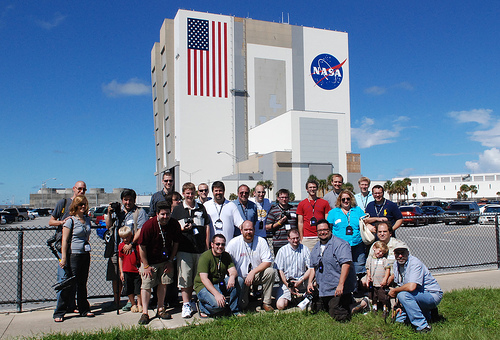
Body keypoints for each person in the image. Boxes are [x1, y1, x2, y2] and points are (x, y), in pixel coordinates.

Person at [307, 220, 369, 321]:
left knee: (338, 315)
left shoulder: (341, 244)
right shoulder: (316, 247)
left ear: (330, 230)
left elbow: (346, 264)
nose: (322, 232)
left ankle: (361, 305)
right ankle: (346, 303)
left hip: (338, 288)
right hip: (323, 288)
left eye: (325, 230)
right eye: (320, 230)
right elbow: (313, 267)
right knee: (318, 309)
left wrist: (341, 284)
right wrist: (310, 282)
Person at [137, 201, 181, 325]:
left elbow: (176, 243)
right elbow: (142, 246)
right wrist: (145, 266)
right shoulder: (149, 225)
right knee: (146, 285)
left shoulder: (174, 224)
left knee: (163, 283)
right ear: (157, 214)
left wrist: (171, 260)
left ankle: (160, 308)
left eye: (167, 214)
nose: (165, 217)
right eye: (162, 214)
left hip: (165, 260)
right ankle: (145, 313)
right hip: (149, 261)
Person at [170, 182, 210, 318]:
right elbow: (172, 229)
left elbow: (206, 226)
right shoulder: (177, 210)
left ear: (195, 194)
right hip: (184, 249)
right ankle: (186, 304)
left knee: (198, 278)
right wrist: (182, 229)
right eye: (187, 193)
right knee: (185, 278)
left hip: (199, 249)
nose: (190, 195)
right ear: (183, 194)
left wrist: (206, 246)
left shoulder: (201, 208)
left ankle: (197, 302)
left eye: (192, 193)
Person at [105, 189, 148, 311]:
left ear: (134, 200)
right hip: (117, 248)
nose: (128, 202)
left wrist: (131, 244)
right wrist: (109, 213)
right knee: (117, 276)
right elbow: (108, 225)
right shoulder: (118, 212)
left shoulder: (139, 212)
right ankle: (117, 301)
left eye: (130, 199)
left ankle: (134, 301)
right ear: (122, 200)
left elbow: (141, 229)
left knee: (134, 278)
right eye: (125, 200)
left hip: (133, 250)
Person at [50, 180, 87, 318]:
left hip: (79, 251)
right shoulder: (63, 203)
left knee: (77, 281)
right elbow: (51, 221)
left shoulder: (84, 208)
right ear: (74, 189)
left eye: (84, 189)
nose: (81, 191)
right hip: (64, 247)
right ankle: (60, 310)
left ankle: (72, 306)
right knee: (64, 279)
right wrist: (62, 222)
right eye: (79, 188)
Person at [53, 196, 93, 322]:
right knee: (69, 283)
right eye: (80, 205)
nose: (83, 207)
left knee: (82, 283)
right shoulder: (70, 221)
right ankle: (60, 312)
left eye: (84, 205)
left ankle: (84, 309)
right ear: (75, 206)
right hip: (73, 255)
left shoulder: (86, 220)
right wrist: (64, 257)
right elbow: (65, 240)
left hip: (84, 254)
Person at [389, 245, 443, 333]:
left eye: (402, 253)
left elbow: (411, 287)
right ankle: (429, 314)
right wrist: (399, 305)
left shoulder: (415, 263)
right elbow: (401, 285)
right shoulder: (396, 264)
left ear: (408, 253)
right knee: (399, 320)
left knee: (402, 295)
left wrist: (395, 291)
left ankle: (423, 326)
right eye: (397, 253)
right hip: (416, 295)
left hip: (431, 294)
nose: (400, 256)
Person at [226, 220, 275, 311]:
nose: (249, 232)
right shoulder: (233, 243)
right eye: (246, 230)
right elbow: (227, 262)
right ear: (241, 231)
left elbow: (267, 262)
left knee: (270, 272)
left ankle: (266, 302)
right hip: (241, 278)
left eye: (251, 230)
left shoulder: (261, 241)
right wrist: (233, 276)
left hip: (255, 275)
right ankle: (246, 296)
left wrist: (253, 272)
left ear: (254, 230)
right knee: (243, 305)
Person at [193, 234, 245, 318]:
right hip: (203, 286)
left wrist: (232, 277)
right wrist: (217, 294)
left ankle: (234, 310)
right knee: (218, 306)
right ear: (212, 244)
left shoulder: (225, 255)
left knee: (239, 280)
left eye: (223, 244)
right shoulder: (205, 256)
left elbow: (233, 271)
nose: (220, 246)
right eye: (217, 244)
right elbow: (204, 279)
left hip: (218, 284)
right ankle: (202, 307)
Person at [326, 190, 366, 279]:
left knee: (359, 269)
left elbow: (365, 222)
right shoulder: (333, 212)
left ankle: (358, 290)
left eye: (348, 199)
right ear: (339, 201)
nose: (345, 201)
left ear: (351, 199)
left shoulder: (357, 210)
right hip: (340, 246)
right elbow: (329, 228)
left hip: (357, 244)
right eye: (343, 199)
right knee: (342, 268)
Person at [274, 229, 312, 310]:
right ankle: (293, 298)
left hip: (302, 280)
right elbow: (280, 270)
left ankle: (300, 297)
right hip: (287, 282)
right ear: (288, 239)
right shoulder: (282, 251)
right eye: (293, 238)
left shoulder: (305, 249)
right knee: (280, 306)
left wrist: (301, 280)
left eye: (297, 238)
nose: (295, 240)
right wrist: (288, 285)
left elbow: (310, 268)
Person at [297, 179, 331, 251]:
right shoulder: (301, 204)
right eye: (310, 187)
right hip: (307, 238)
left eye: (314, 187)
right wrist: (301, 237)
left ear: (317, 189)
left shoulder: (324, 203)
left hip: (321, 236)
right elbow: (300, 222)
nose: (312, 189)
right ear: (307, 189)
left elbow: (327, 221)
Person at [118, 226, 142, 313]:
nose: (125, 240)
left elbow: (140, 256)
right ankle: (133, 304)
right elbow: (120, 258)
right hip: (126, 270)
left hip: (136, 270)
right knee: (129, 288)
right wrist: (121, 272)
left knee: (138, 288)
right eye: (123, 238)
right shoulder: (121, 246)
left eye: (127, 237)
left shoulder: (136, 246)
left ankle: (139, 304)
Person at [266, 188, 298, 255]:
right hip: (279, 243)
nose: (284, 199)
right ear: (278, 198)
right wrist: (279, 223)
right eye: (282, 197)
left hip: (293, 242)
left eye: (286, 197)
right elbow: (267, 227)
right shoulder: (273, 211)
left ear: (289, 198)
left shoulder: (294, 209)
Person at [365, 241, 391, 314]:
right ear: (374, 248)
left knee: (383, 297)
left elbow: (387, 269)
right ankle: (374, 308)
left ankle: (385, 309)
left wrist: (385, 279)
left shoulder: (384, 260)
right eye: (379, 251)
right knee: (374, 296)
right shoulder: (370, 259)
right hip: (373, 282)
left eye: (382, 253)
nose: (380, 254)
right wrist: (369, 276)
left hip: (381, 283)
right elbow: (368, 268)